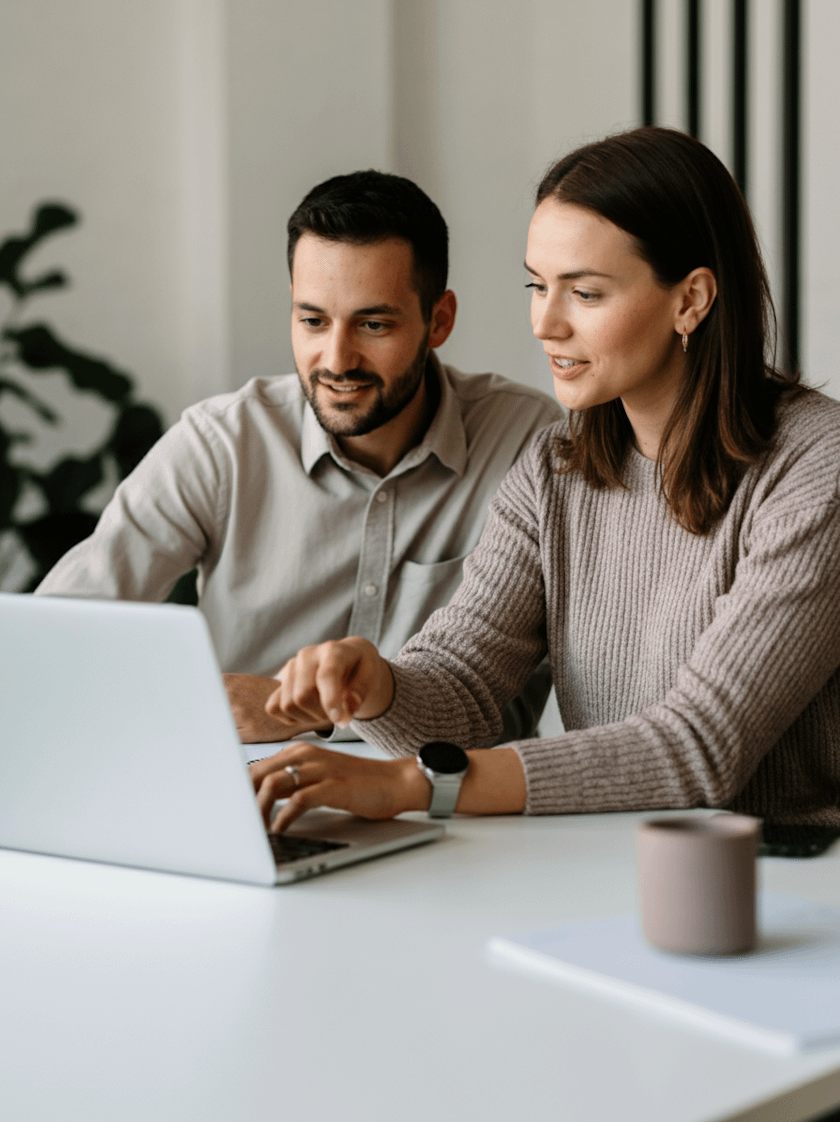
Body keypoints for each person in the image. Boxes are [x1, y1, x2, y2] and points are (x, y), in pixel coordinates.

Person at [244, 126, 840, 833]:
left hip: (789, 885)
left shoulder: (816, 467)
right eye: (537, 286)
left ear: (691, 300)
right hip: (607, 863)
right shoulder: (556, 467)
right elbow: (464, 689)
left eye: (584, 294)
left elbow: (700, 748)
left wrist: (410, 785)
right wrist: (380, 687)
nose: (544, 324)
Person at [36, 170, 561, 742]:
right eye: (313, 320)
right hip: (249, 795)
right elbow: (55, 642)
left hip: (456, 801)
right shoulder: (223, 444)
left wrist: (301, 709)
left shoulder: (527, 444)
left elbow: (500, 699)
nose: (337, 359)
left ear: (438, 320)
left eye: (374, 324)